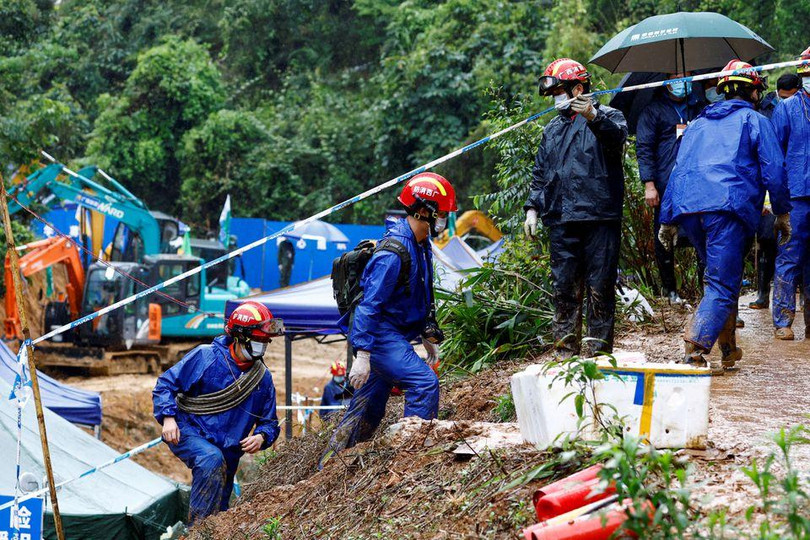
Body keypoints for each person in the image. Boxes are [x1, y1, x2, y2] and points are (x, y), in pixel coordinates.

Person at [659, 59, 791, 369]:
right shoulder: (754, 120)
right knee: (722, 282)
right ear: (754, 92)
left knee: (721, 275)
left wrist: (667, 219)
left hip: (691, 210)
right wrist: (783, 213)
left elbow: (677, 172)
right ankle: (694, 349)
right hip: (726, 209)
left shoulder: (696, 125)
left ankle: (728, 347)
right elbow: (774, 170)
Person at [319, 172, 455, 467]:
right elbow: (369, 306)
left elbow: (415, 295)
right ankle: (410, 461)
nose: (446, 219)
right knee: (424, 383)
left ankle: (331, 465)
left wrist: (424, 333)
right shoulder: (393, 253)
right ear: (425, 211)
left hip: (392, 334)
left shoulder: (420, 244)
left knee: (368, 405)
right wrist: (364, 354)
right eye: (443, 213)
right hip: (379, 335)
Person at [523, 58, 628, 358]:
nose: (555, 98)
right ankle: (564, 354)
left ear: (578, 89)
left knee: (600, 288)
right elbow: (540, 173)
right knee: (564, 290)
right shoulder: (552, 129)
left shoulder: (610, 116)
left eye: (559, 92)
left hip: (599, 217)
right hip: (561, 219)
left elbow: (616, 138)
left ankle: (597, 355)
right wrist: (532, 208)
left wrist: (593, 116)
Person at [153, 300, 282, 524]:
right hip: (188, 431)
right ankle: (198, 533)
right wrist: (168, 418)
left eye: (265, 341)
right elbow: (165, 385)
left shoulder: (262, 378)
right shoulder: (205, 356)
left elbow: (269, 422)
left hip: (229, 450)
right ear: (240, 337)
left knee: (220, 508)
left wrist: (262, 436)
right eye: (258, 340)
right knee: (210, 459)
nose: (262, 346)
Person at [636, 73, 706, 304]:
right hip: (666, 184)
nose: (681, 81)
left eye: (685, 76)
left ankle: (705, 287)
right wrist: (649, 184)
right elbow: (644, 148)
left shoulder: (699, 107)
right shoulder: (653, 111)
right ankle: (670, 291)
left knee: (703, 234)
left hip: (698, 182)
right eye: (676, 77)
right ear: (666, 82)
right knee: (664, 235)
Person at [771, 47, 810, 340]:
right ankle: (783, 321)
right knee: (789, 256)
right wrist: (772, 197)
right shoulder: (786, 108)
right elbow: (774, 155)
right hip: (795, 195)